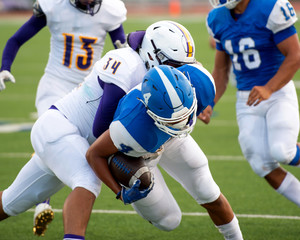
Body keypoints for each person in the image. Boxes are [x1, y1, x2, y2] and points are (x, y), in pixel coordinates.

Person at [0, 20, 201, 240]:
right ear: (154, 54)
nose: (179, 72)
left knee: (11, 202)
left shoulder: (150, 73)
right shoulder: (127, 64)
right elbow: (100, 128)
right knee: (88, 180)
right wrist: (128, 162)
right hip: (60, 128)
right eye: (175, 64)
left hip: (71, 140)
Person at [0, 0, 127, 235]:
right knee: (60, 147)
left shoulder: (110, 9)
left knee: (73, 151)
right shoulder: (54, 6)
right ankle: (43, 204)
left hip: (87, 92)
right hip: (54, 88)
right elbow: (15, 39)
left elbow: (125, 51)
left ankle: (34, 200)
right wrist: (4, 66)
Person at [86, 65, 243, 240]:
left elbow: (182, 114)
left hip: (171, 138)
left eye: (187, 114)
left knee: (208, 190)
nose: (184, 122)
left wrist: (181, 118)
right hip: (140, 150)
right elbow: (94, 154)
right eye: (176, 120)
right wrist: (119, 193)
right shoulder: (130, 128)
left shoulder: (200, 82)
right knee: (169, 220)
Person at [201, 0, 300, 207]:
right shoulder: (217, 17)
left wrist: (269, 88)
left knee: (283, 151)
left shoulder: (270, 7)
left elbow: (295, 55)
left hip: (278, 92)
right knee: (261, 163)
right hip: (246, 100)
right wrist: (210, 102)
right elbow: (221, 71)